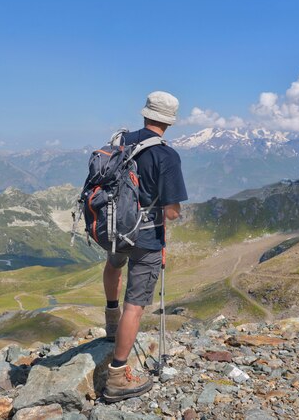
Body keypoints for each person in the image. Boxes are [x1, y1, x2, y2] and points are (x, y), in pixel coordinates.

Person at [103, 91, 188, 402]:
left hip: (113, 228)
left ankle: (110, 321)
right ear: (169, 121)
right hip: (146, 237)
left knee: (113, 264)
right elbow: (171, 211)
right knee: (135, 306)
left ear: (146, 114)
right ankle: (117, 375)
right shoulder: (166, 156)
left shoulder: (121, 141)